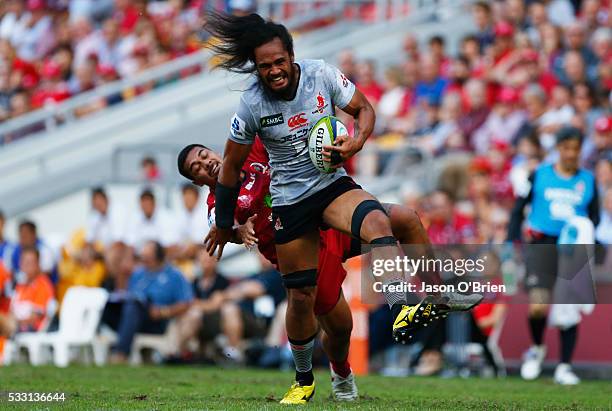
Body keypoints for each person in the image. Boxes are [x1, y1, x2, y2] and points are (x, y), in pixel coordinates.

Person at [201, 13, 481, 403]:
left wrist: (356, 142)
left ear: (291, 55)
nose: (274, 71)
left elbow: (364, 109)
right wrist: (226, 221)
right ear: (257, 68)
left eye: (279, 62)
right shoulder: (251, 104)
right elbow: (230, 167)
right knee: (303, 299)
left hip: (330, 186)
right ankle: (304, 380)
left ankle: (411, 300)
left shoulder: (321, 75)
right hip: (290, 203)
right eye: (265, 66)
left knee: (386, 218)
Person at [177, 139, 480, 401]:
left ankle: (433, 296)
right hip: (303, 255)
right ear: (197, 181)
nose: (206, 164)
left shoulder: (252, 152)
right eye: (197, 168)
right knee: (339, 328)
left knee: (406, 219)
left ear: (214, 151)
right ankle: (340, 373)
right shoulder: (218, 203)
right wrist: (237, 230)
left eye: (204, 156)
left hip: (326, 219)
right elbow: (218, 227)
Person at [508, 126, 600, 385]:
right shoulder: (539, 175)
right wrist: (510, 240)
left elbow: (595, 218)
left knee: (567, 309)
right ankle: (536, 348)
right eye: (566, 147)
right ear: (558, 148)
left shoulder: (588, 180)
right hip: (541, 244)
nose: (571, 153)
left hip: (572, 249)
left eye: (576, 148)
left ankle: (565, 366)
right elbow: (518, 209)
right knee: (538, 305)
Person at [110, 241, 192, 363]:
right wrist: (122, 273)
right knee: (114, 306)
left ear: (158, 257)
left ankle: (121, 353)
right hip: (134, 317)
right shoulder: (138, 273)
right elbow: (125, 294)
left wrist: (164, 312)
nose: (144, 260)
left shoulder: (174, 275)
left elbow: (186, 303)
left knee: (133, 306)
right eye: (143, 256)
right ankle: (113, 348)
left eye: (148, 257)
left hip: (158, 321)